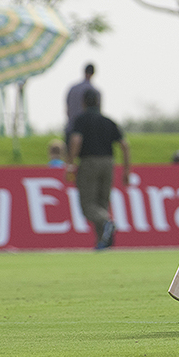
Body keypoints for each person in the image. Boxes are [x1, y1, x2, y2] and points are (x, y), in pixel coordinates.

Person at [66, 90, 130, 249]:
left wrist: (70, 164)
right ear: (99, 102)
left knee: (88, 206)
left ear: (83, 103)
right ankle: (103, 242)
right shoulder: (108, 121)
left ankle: (107, 223)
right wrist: (127, 170)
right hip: (108, 163)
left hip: (89, 162)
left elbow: (76, 140)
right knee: (102, 204)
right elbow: (124, 145)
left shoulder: (81, 120)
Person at [65, 63, 102, 147]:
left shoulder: (73, 89)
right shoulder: (95, 92)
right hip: (89, 132)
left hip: (71, 127)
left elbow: (67, 109)